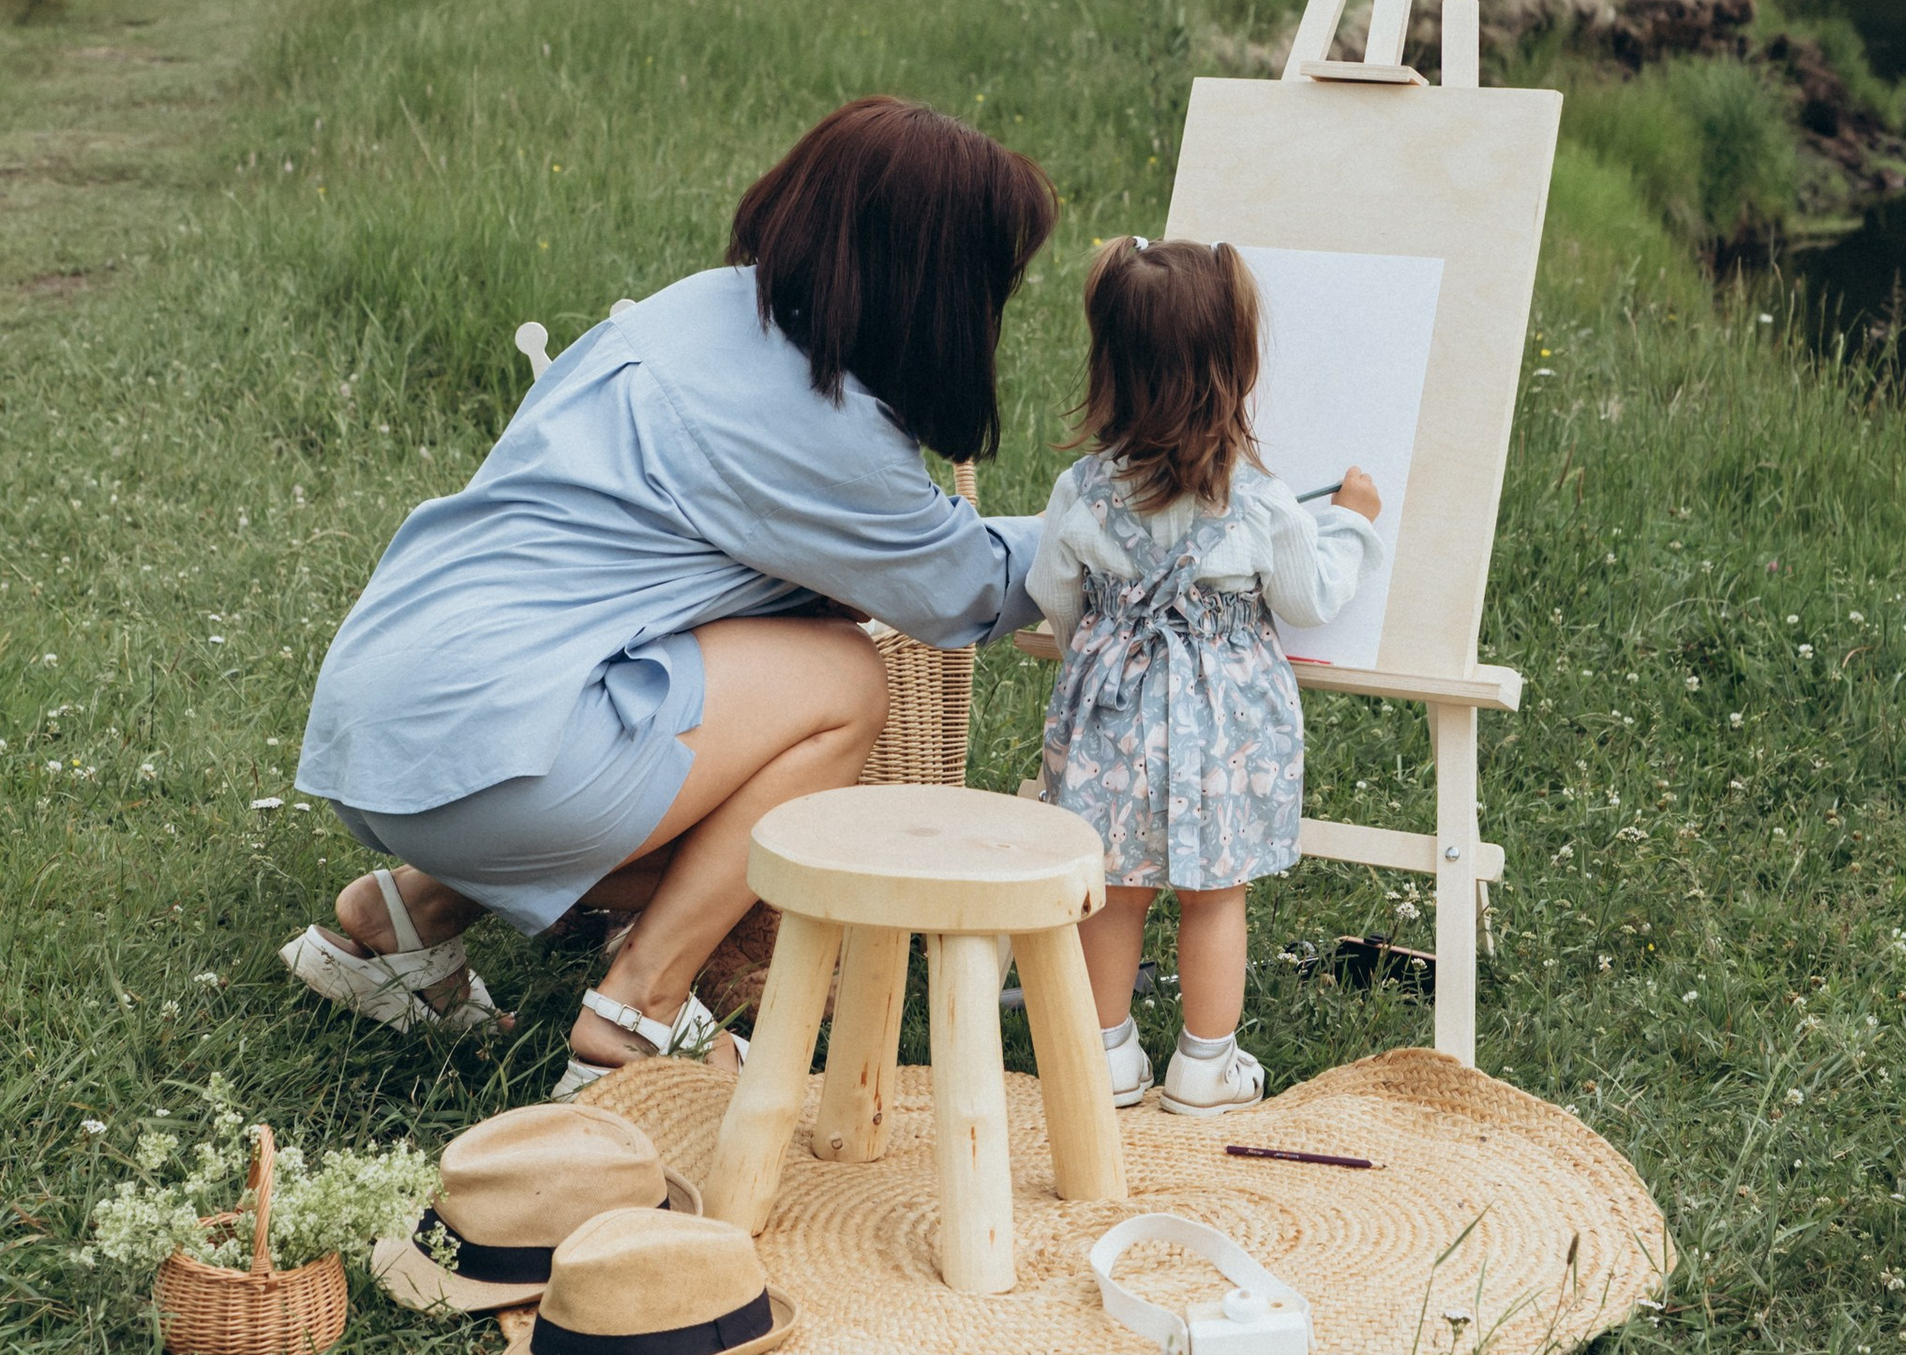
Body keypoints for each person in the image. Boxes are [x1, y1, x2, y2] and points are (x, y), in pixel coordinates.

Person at [284, 97, 1056, 1093]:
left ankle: (404, 918)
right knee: (842, 685)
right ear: (939, 285)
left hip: (382, 723)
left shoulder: (696, 308)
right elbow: (965, 590)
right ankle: (638, 1013)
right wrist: (1113, 521)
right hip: (493, 767)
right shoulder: (820, 423)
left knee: (725, 734)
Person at [1029, 235, 1382, 1117]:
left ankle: (1105, 1056)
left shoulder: (1082, 489)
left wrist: (1104, 642)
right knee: (1215, 894)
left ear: (1110, 365)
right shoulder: (1260, 500)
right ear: (1233, 367)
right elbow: (1309, 597)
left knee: (1114, 891)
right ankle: (1206, 1066)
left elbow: (1055, 597)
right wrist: (1351, 522)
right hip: (1225, 725)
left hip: (1113, 712)